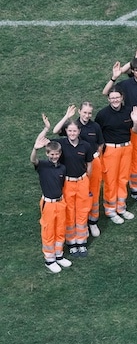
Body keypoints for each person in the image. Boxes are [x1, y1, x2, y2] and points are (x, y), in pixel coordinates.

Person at [103, 55, 137, 206]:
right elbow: (105, 92)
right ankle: (136, 190)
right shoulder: (125, 85)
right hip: (135, 125)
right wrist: (114, 78)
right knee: (135, 157)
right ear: (132, 71)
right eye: (136, 70)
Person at [52, 102, 105, 237]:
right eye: (84, 112)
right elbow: (55, 131)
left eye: (89, 113)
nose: (86, 115)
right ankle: (79, 222)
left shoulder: (95, 126)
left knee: (93, 193)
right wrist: (66, 116)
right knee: (78, 196)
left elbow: (100, 143)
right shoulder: (73, 126)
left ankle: (92, 222)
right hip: (76, 165)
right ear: (79, 112)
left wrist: (97, 156)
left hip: (92, 162)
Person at [95, 86, 137, 222]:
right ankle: (110, 210)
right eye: (112, 98)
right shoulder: (103, 115)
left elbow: (136, 131)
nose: (115, 100)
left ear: (122, 98)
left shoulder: (128, 111)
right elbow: (98, 134)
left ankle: (121, 207)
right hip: (110, 150)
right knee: (110, 180)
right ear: (109, 99)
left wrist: (135, 121)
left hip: (126, 148)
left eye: (117, 97)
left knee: (123, 178)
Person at [31, 123, 72, 273]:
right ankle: (49, 259)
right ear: (47, 154)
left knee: (60, 229)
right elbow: (33, 160)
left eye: (56, 154)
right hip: (48, 204)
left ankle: (59, 255)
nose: (54, 156)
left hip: (60, 203)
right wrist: (35, 148)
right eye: (51, 154)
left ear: (59, 154)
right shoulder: (42, 165)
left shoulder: (62, 168)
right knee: (49, 231)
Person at [53, 118, 95, 258]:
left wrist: (86, 179)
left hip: (82, 181)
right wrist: (65, 117)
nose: (72, 133)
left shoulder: (86, 146)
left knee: (82, 211)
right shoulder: (61, 143)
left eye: (74, 131)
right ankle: (72, 243)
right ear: (66, 132)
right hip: (68, 183)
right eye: (69, 130)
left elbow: (89, 164)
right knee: (70, 212)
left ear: (79, 131)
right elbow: (54, 131)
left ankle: (81, 242)